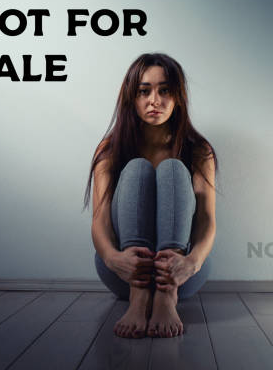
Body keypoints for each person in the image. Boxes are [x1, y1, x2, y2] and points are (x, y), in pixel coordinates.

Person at [83, 52, 218, 339]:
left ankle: (166, 299)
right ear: (132, 98)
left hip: (183, 275)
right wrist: (111, 258)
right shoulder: (109, 150)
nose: (154, 100)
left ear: (178, 97)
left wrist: (192, 262)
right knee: (137, 169)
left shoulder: (198, 150)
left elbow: (207, 221)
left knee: (171, 169)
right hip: (123, 272)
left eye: (164, 90)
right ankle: (139, 297)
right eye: (144, 91)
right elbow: (100, 221)